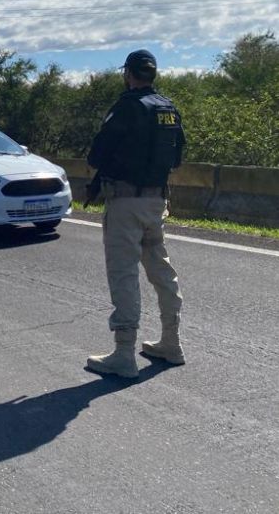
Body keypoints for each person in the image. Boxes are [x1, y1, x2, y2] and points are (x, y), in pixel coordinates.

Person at [85, 49, 187, 379]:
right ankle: (172, 342)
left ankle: (124, 354)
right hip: (157, 201)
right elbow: (179, 156)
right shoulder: (168, 109)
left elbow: (96, 155)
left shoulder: (127, 106)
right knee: (161, 268)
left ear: (129, 73)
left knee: (124, 273)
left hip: (125, 202)